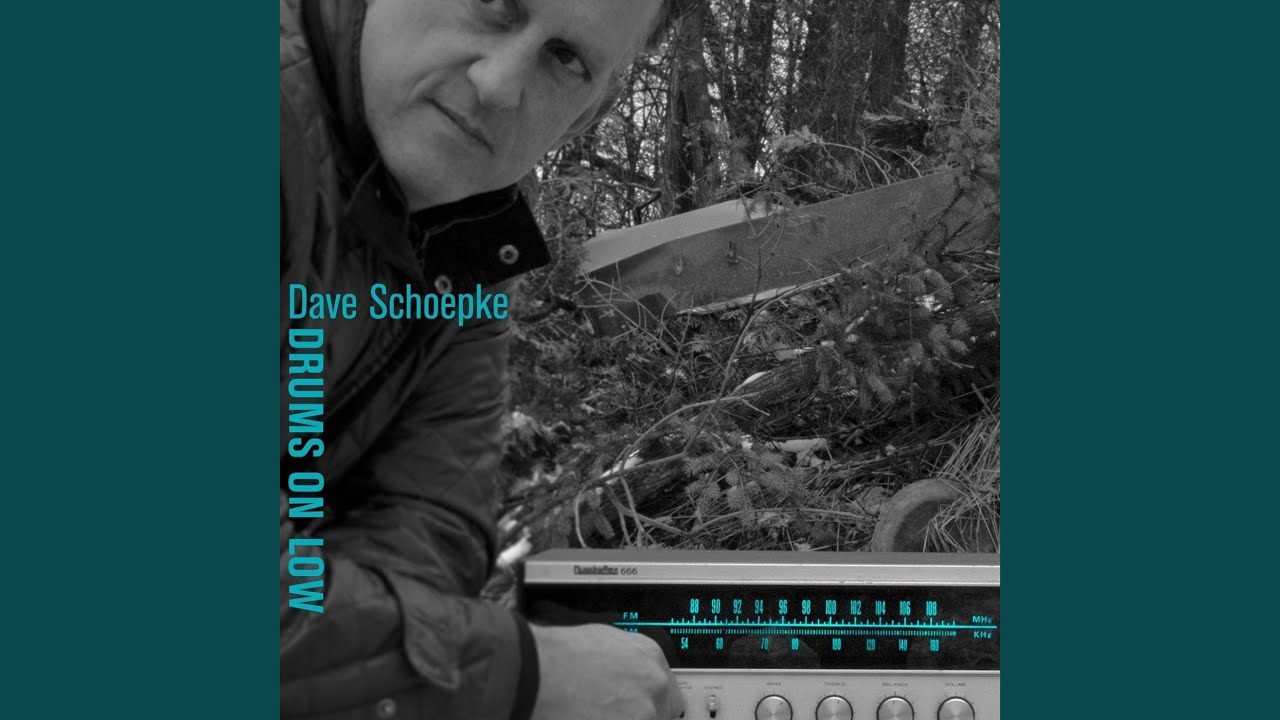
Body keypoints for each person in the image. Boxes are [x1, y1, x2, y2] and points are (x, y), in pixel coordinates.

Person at [279, 1, 686, 719]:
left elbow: (427, 525)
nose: (499, 86)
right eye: (494, 6)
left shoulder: (468, 250)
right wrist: (510, 676)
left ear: (590, 111)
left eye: (566, 59)